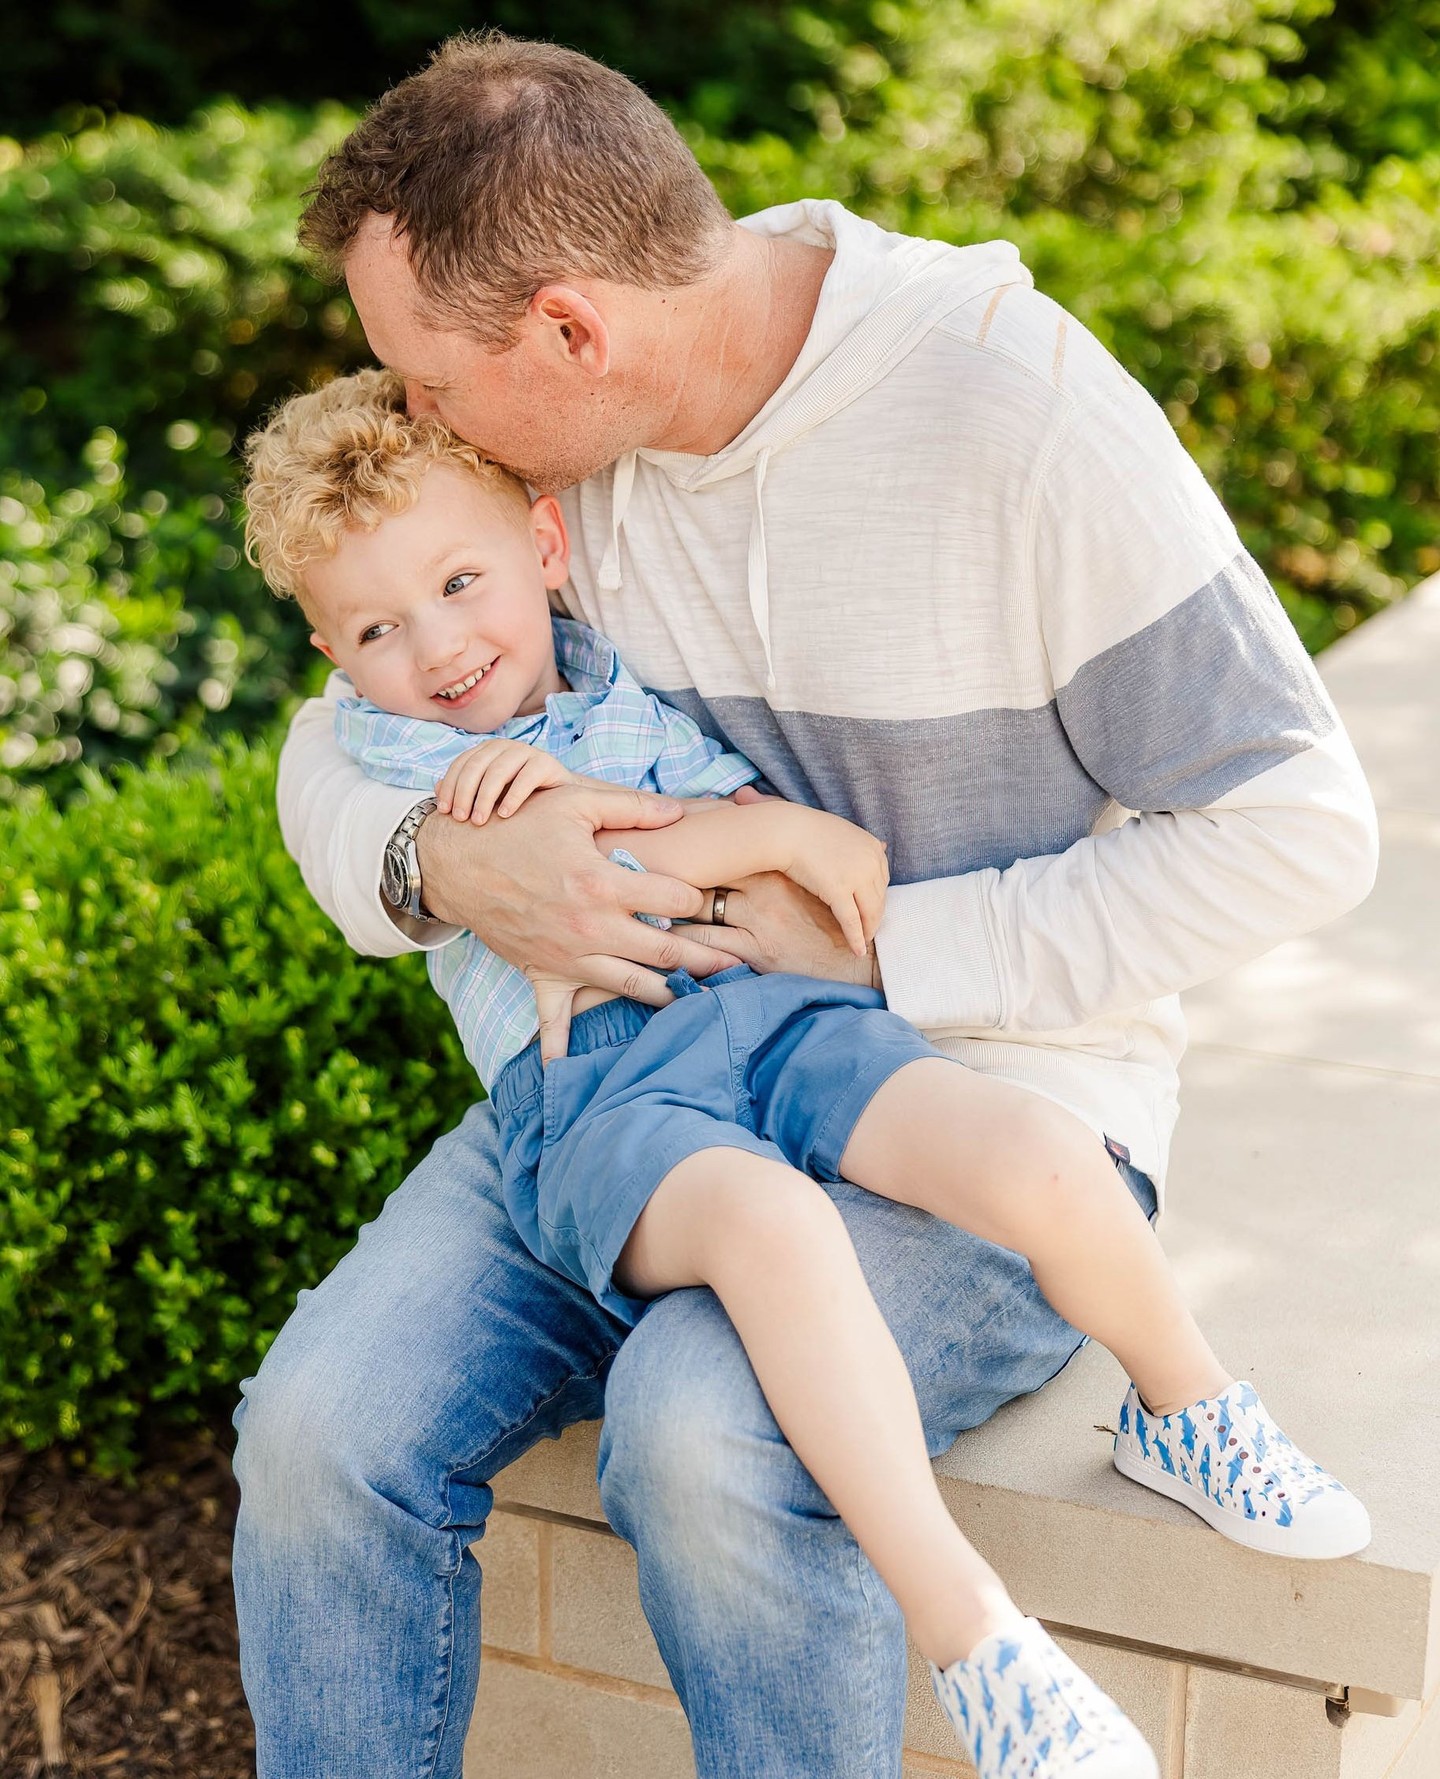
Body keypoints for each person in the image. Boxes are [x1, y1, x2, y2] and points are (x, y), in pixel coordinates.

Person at [233, 32, 1380, 1779]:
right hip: (618, 1068)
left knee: (708, 1435)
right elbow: (340, 734)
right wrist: (443, 867)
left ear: (569, 331)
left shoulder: (1023, 421)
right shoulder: (558, 464)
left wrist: (881, 944)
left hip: (973, 1066)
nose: (416, 421)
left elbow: (1299, 827)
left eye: (431, 382)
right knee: (321, 1432)